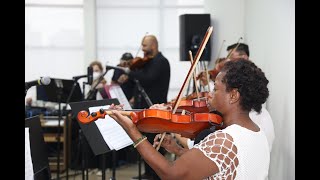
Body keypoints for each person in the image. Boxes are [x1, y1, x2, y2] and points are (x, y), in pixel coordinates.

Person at [108, 59, 270, 179]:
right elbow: (218, 166)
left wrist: (133, 132)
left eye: (215, 88)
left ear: (233, 95)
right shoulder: (257, 132)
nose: (209, 94)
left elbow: (171, 175)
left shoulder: (225, 140)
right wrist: (178, 150)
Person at [123, 34, 171, 180]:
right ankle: (148, 173)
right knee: (144, 142)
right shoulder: (148, 62)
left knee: (154, 144)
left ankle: (156, 175)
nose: (142, 48)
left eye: (144, 45)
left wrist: (130, 72)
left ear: (153, 46)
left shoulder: (161, 62)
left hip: (155, 108)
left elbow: (148, 79)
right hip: (144, 109)